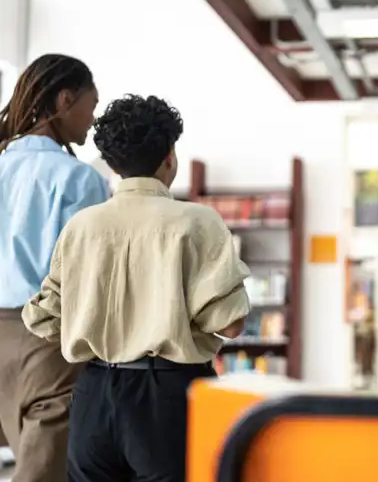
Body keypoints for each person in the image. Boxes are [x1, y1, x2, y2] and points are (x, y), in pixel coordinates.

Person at [21, 94, 252, 482]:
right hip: (168, 395)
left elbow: (42, 319)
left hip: (94, 395)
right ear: (170, 157)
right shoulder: (197, 223)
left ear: (112, 165)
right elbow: (230, 325)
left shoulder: (82, 227)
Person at [0, 54, 110, 482]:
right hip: (46, 342)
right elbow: (91, 275)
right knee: (44, 471)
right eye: (91, 104)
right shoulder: (79, 180)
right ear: (65, 100)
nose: (93, 119)